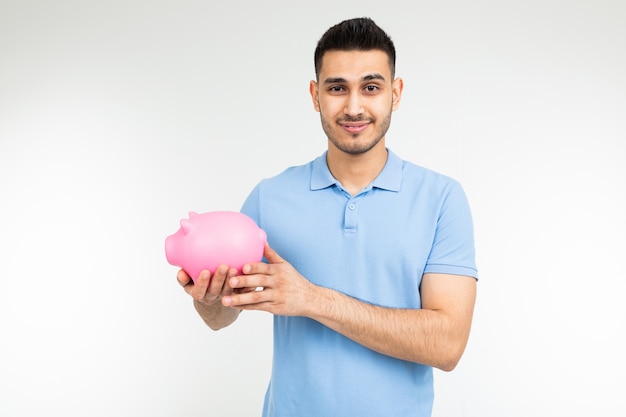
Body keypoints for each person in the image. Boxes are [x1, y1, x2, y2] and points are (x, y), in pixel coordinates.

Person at [177, 17, 478, 417]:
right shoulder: (271, 197)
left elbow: (447, 345)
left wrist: (313, 299)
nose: (354, 107)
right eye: (337, 88)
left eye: (371, 87)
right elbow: (222, 316)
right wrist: (209, 300)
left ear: (396, 92)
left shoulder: (441, 198)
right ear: (316, 95)